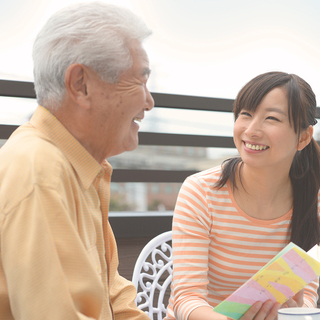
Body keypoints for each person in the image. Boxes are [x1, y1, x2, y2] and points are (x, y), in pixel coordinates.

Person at [0, 2, 154, 319]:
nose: (149, 102)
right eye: (140, 81)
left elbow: (113, 297)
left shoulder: (82, 168)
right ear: (80, 85)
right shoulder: (39, 170)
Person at [165, 71, 320, 320]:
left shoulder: (314, 201)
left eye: (271, 118)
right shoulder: (201, 191)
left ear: (303, 137)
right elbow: (186, 298)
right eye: (245, 114)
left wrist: (295, 311)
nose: (251, 129)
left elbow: (307, 295)